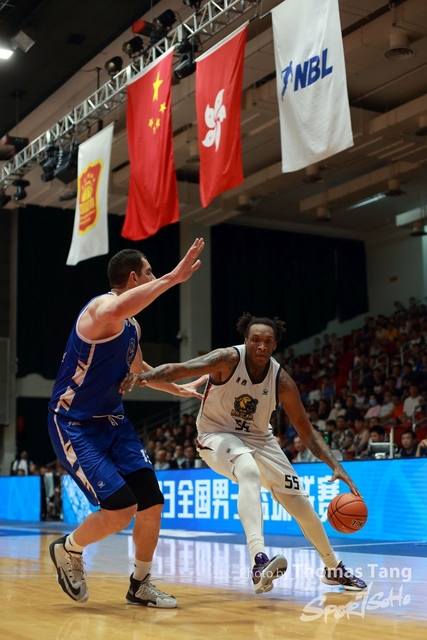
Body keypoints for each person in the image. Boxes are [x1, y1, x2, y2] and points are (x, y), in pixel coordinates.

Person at [120, 312, 367, 594]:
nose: (261, 346)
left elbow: (305, 429)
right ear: (246, 341)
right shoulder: (226, 359)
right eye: (256, 340)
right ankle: (259, 560)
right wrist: (144, 376)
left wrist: (336, 465)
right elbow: (181, 368)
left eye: (267, 341)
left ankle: (333, 569)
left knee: (302, 506)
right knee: (248, 470)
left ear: (274, 345)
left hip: (261, 439)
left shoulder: (281, 381)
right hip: (215, 434)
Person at [47, 239, 205, 608]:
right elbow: (118, 307)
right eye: (149, 273)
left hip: (115, 424)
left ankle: (140, 584)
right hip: (74, 423)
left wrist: (177, 389)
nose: (154, 277)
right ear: (134, 278)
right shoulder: (100, 309)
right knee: (120, 509)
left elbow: (140, 369)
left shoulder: (132, 327)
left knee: (151, 503)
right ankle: (69, 548)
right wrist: (172, 278)